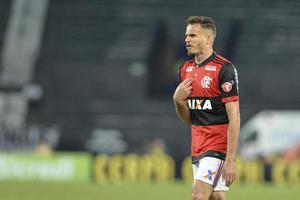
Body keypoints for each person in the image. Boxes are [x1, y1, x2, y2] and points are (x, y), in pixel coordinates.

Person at [173, 16, 240, 200]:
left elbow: (234, 117)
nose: (187, 39)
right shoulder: (185, 69)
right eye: (187, 35)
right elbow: (190, 119)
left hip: (217, 147)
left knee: (198, 195)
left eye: (193, 35)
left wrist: (230, 160)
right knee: (215, 197)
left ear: (209, 39)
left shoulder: (224, 69)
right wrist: (177, 102)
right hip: (197, 147)